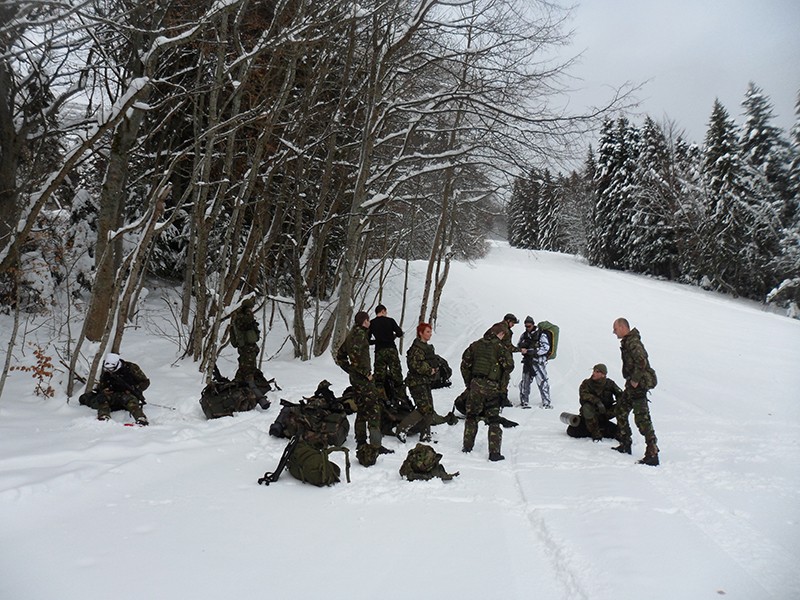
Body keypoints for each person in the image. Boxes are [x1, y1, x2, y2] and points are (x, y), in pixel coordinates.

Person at [337, 311, 388, 455]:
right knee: (373, 409)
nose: (370, 323)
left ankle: (360, 440)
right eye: (369, 321)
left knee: (362, 408)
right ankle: (376, 445)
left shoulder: (352, 334)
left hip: (355, 378)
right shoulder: (359, 336)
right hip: (364, 380)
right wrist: (366, 374)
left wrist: (350, 370)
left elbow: (340, 355)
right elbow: (355, 358)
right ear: (365, 321)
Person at [460, 323, 514, 461]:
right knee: (494, 419)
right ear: (500, 334)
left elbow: (464, 364)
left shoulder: (475, 345)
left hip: (475, 385)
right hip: (492, 387)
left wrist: (469, 383)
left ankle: (467, 446)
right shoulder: (500, 347)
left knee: (471, 416)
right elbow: (509, 366)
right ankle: (494, 453)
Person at [612, 317, 660, 466]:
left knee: (642, 419)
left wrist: (635, 379)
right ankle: (625, 443)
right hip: (632, 386)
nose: (614, 332)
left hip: (638, 387)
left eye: (615, 328)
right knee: (620, 409)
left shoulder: (633, 342)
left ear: (622, 327)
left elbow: (642, 361)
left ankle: (652, 453)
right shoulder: (628, 342)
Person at [396, 323, 438, 443]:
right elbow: (415, 365)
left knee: (429, 408)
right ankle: (402, 429)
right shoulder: (416, 349)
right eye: (427, 332)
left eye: (430, 332)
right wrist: (430, 370)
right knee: (423, 408)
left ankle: (425, 434)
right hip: (416, 382)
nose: (430, 334)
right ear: (421, 333)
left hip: (424, 381)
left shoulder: (426, 348)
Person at [95, 353, 150, 425]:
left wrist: (134, 389)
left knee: (131, 402)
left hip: (129, 395)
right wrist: (104, 390)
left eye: (111, 369)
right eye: (107, 369)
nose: (109, 371)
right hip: (112, 395)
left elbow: (145, 382)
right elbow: (102, 384)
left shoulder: (131, 368)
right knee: (102, 399)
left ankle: (141, 418)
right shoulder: (105, 370)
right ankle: (104, 416)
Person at [368, 304, 408, 402]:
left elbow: (367, 340)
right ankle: (402, 400)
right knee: (397, 376)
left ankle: (382, 401)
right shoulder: (390, 321)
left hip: (379, 351)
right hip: (391, 349)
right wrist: (393, 336)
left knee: (379, 378)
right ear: (383, 311)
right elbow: (399, 333)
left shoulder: (372, 323)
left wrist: (376, 341)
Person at [230, 297, 269, 393]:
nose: (251, 310)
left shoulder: (241, 315)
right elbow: (244, 325)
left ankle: (240, 384)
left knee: (245, 366)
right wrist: (249, 315)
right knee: (248, 367)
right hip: (246, 346)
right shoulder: (240, 316)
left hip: (248, 345)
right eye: (250, 308)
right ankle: (249, 387)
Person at [573, 363, 622, 440]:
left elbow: (620, 394)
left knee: (622, 406)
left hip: (606, 412)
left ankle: (622, 432)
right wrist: (597, 401)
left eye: (597, 372)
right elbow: (583, 394)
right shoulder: (586, 383)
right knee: (587, 407)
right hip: (592, 413)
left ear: (603, 374)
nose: (593, 373)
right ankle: (595, 433)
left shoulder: (610, 383)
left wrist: (621, 401)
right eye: (594, 371)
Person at [484, 313, 519, 407]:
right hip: (501, 358)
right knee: (504, 378)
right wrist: (520, 350)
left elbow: (485, 337)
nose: (513, 325)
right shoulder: (505, 331)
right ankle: (502, 399)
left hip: (490, 357)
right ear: (508, 321)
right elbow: (508, 347)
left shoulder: (495, 326)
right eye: (513, 323)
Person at [517, 316, 552, 408]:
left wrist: (533, 351)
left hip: (538, 362)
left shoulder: (541, 335)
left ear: (533, 324)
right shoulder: (524, 335)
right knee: (525, 382)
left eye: (529, 326)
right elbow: (519, 345)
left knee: (543, 382)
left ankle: (546, 402)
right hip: (527, 362)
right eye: (526, 326)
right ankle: (524, 401)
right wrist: (522, 348)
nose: (527, 328)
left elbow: (546, 348)